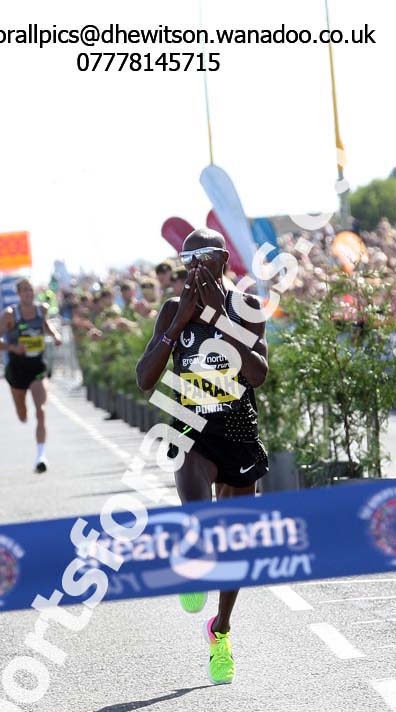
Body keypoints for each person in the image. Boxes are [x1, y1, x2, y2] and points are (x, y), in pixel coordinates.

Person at [136, 229, 269, 685]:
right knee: (198, 521)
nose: (193, 265)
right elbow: (144, 379)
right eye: (186, 257)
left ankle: (221, 630)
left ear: (222, 259)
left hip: (238, 432)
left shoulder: (247, 307)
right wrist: (178, 325)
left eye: (202, 256)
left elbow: (258, 374)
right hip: (191, 430)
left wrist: (219, 320)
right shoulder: (173, 308)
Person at [0, 278, 61, 472]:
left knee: (41, 411)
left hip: (37, 366)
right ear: (18, 294)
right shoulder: (10, 315)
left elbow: (46, 325)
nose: (29, 293)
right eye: (24, 290)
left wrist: (55, 336)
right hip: (17, 368)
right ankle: (20, 409)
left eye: (30, 290)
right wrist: (13, 347)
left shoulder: (41, 310)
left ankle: (41, 456)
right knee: (23, 415)